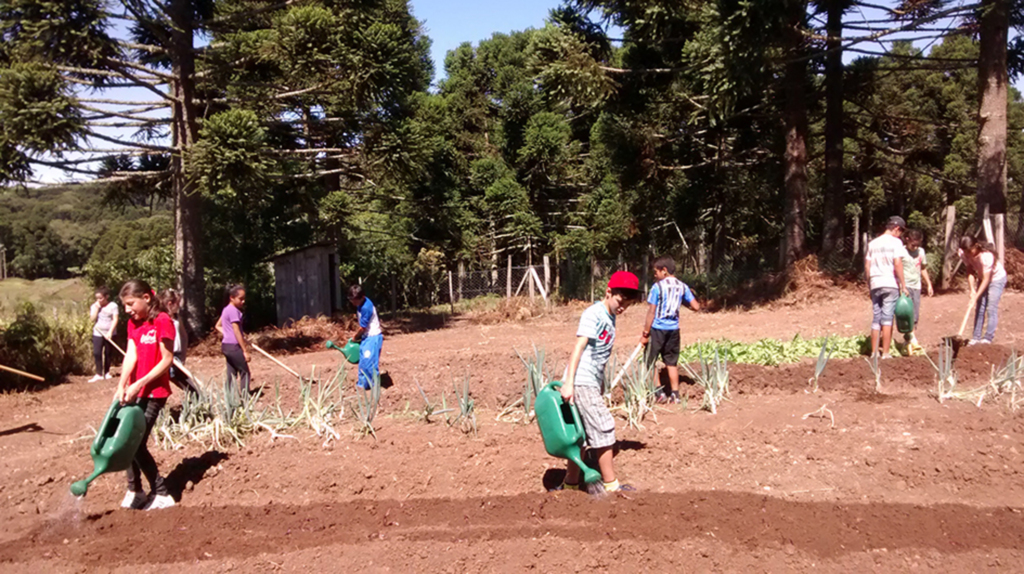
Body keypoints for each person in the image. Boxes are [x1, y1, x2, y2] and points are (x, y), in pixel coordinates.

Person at [557, 271, 641, 493]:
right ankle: (611, 485)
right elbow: (579, 348)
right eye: (620, 301)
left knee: (581, 437)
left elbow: (600, 357)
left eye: (628, 304)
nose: (623, 307)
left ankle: (571, 485)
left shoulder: (610, 317)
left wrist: (600, 383)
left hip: (590, 382)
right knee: (604, 427)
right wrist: (569, 383)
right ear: (608, 292)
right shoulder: (593, 314)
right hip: (580, 380)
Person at [116, 279, 175, 510]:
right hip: (134, 391)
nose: (127, 309)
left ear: (146, 298)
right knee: (125, 439)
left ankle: (162, 493)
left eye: (131, 303)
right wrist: (122, 384)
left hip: (155, 392)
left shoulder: (162, 321)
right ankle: (135, 490)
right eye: (125, 305)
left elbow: (167, 360)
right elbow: (131, 355)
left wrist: (139, 383)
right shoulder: (133, 323)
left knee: (136, 443)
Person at [640, 256, 700, 404]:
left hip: (657, 329)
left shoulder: (657, 287)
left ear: (664, 271)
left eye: (656, 272)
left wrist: (645, 333)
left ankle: (659, 392)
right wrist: (681, 302)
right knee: (671, 362)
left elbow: (651, 312)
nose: (655, 275)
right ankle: (675, 394)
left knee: (650, 361)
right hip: (674, 330)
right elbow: (696, 307)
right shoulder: (682, 286)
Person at [865, 216, 909, 358]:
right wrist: (903, 284)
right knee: (887, 318)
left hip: (875, 283)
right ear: (896, 228)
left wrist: (869, 284)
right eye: (901, 231)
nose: (900, 234)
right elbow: (897, 264)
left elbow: (867, 266)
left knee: (876, 317)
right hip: (890, 283)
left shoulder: (873, 243)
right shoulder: (896, 242)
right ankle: (885, 352)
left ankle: (873, 352)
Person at [959, 236, 1007, 344]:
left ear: (975, 246)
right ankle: (976, 337)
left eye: (969, 251)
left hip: (996, 279)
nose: (967, 254)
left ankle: (988, 338)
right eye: (965, 252)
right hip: (982, 278)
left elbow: (987, 279)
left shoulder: (986, 256)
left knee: (991, 307)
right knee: (979, 308)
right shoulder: (964, 254)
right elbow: (970, 271)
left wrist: (976, 296)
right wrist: (972, 290)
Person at [901, 229, 934, 353]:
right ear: (907, 240)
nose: (915, 247)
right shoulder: (902, 252)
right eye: (913, 245)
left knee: (915, 315)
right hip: (905, 286)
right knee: (906, 313)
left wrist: (929, 284)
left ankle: (909, 340)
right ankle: (911, 339)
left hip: (917, 286)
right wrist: (901, 285)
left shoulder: (921, 252)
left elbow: (923, 268)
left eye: (917, 245)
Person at [215, 284, 251, 394]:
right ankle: (245, 398)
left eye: (244, 299)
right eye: (240, 299)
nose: (243, 301)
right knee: (245, 372)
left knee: (232, 372)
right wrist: (245, 350)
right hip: (234, 346)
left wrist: (227, 333)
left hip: (226, 346)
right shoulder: (234, 311)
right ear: (232, 297)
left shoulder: (226, 309)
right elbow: (236, 330)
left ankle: (229, 397)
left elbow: (218, 325)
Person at [159, 288, 196, 393]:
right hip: (167, 355)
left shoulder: (176, 317)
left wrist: (183, 354)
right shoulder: (160, 318)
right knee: (166, 380)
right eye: (178, 303)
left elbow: (183, 335)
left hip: (177, 355)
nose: (179, 306)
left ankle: (197, 397)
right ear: (170, 304)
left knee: (185, 381)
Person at [348, 284, 383, 390]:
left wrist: (355, 337)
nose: (353, 303)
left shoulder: (366, 307)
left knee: (369, 362)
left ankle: (374, 385)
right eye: (351, 300)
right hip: (366, 337)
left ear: (362, 298)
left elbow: (363, 327)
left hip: (373, 337)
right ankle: (362, 384)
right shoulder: (360, 303)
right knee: (363, 362)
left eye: (355, 300)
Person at [89, 287, 119, 382]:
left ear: (106, 297)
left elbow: (115, 319)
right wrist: (97, 309)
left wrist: (110, 332)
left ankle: (106, 372)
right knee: (97, 352)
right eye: (97, 298)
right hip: (98, 332)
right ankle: (98, 374)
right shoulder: (95, 306)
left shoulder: (113, 306)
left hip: (110, 332)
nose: (99, 300)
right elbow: (92, 319)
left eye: (101, 298)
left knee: (108, 353)